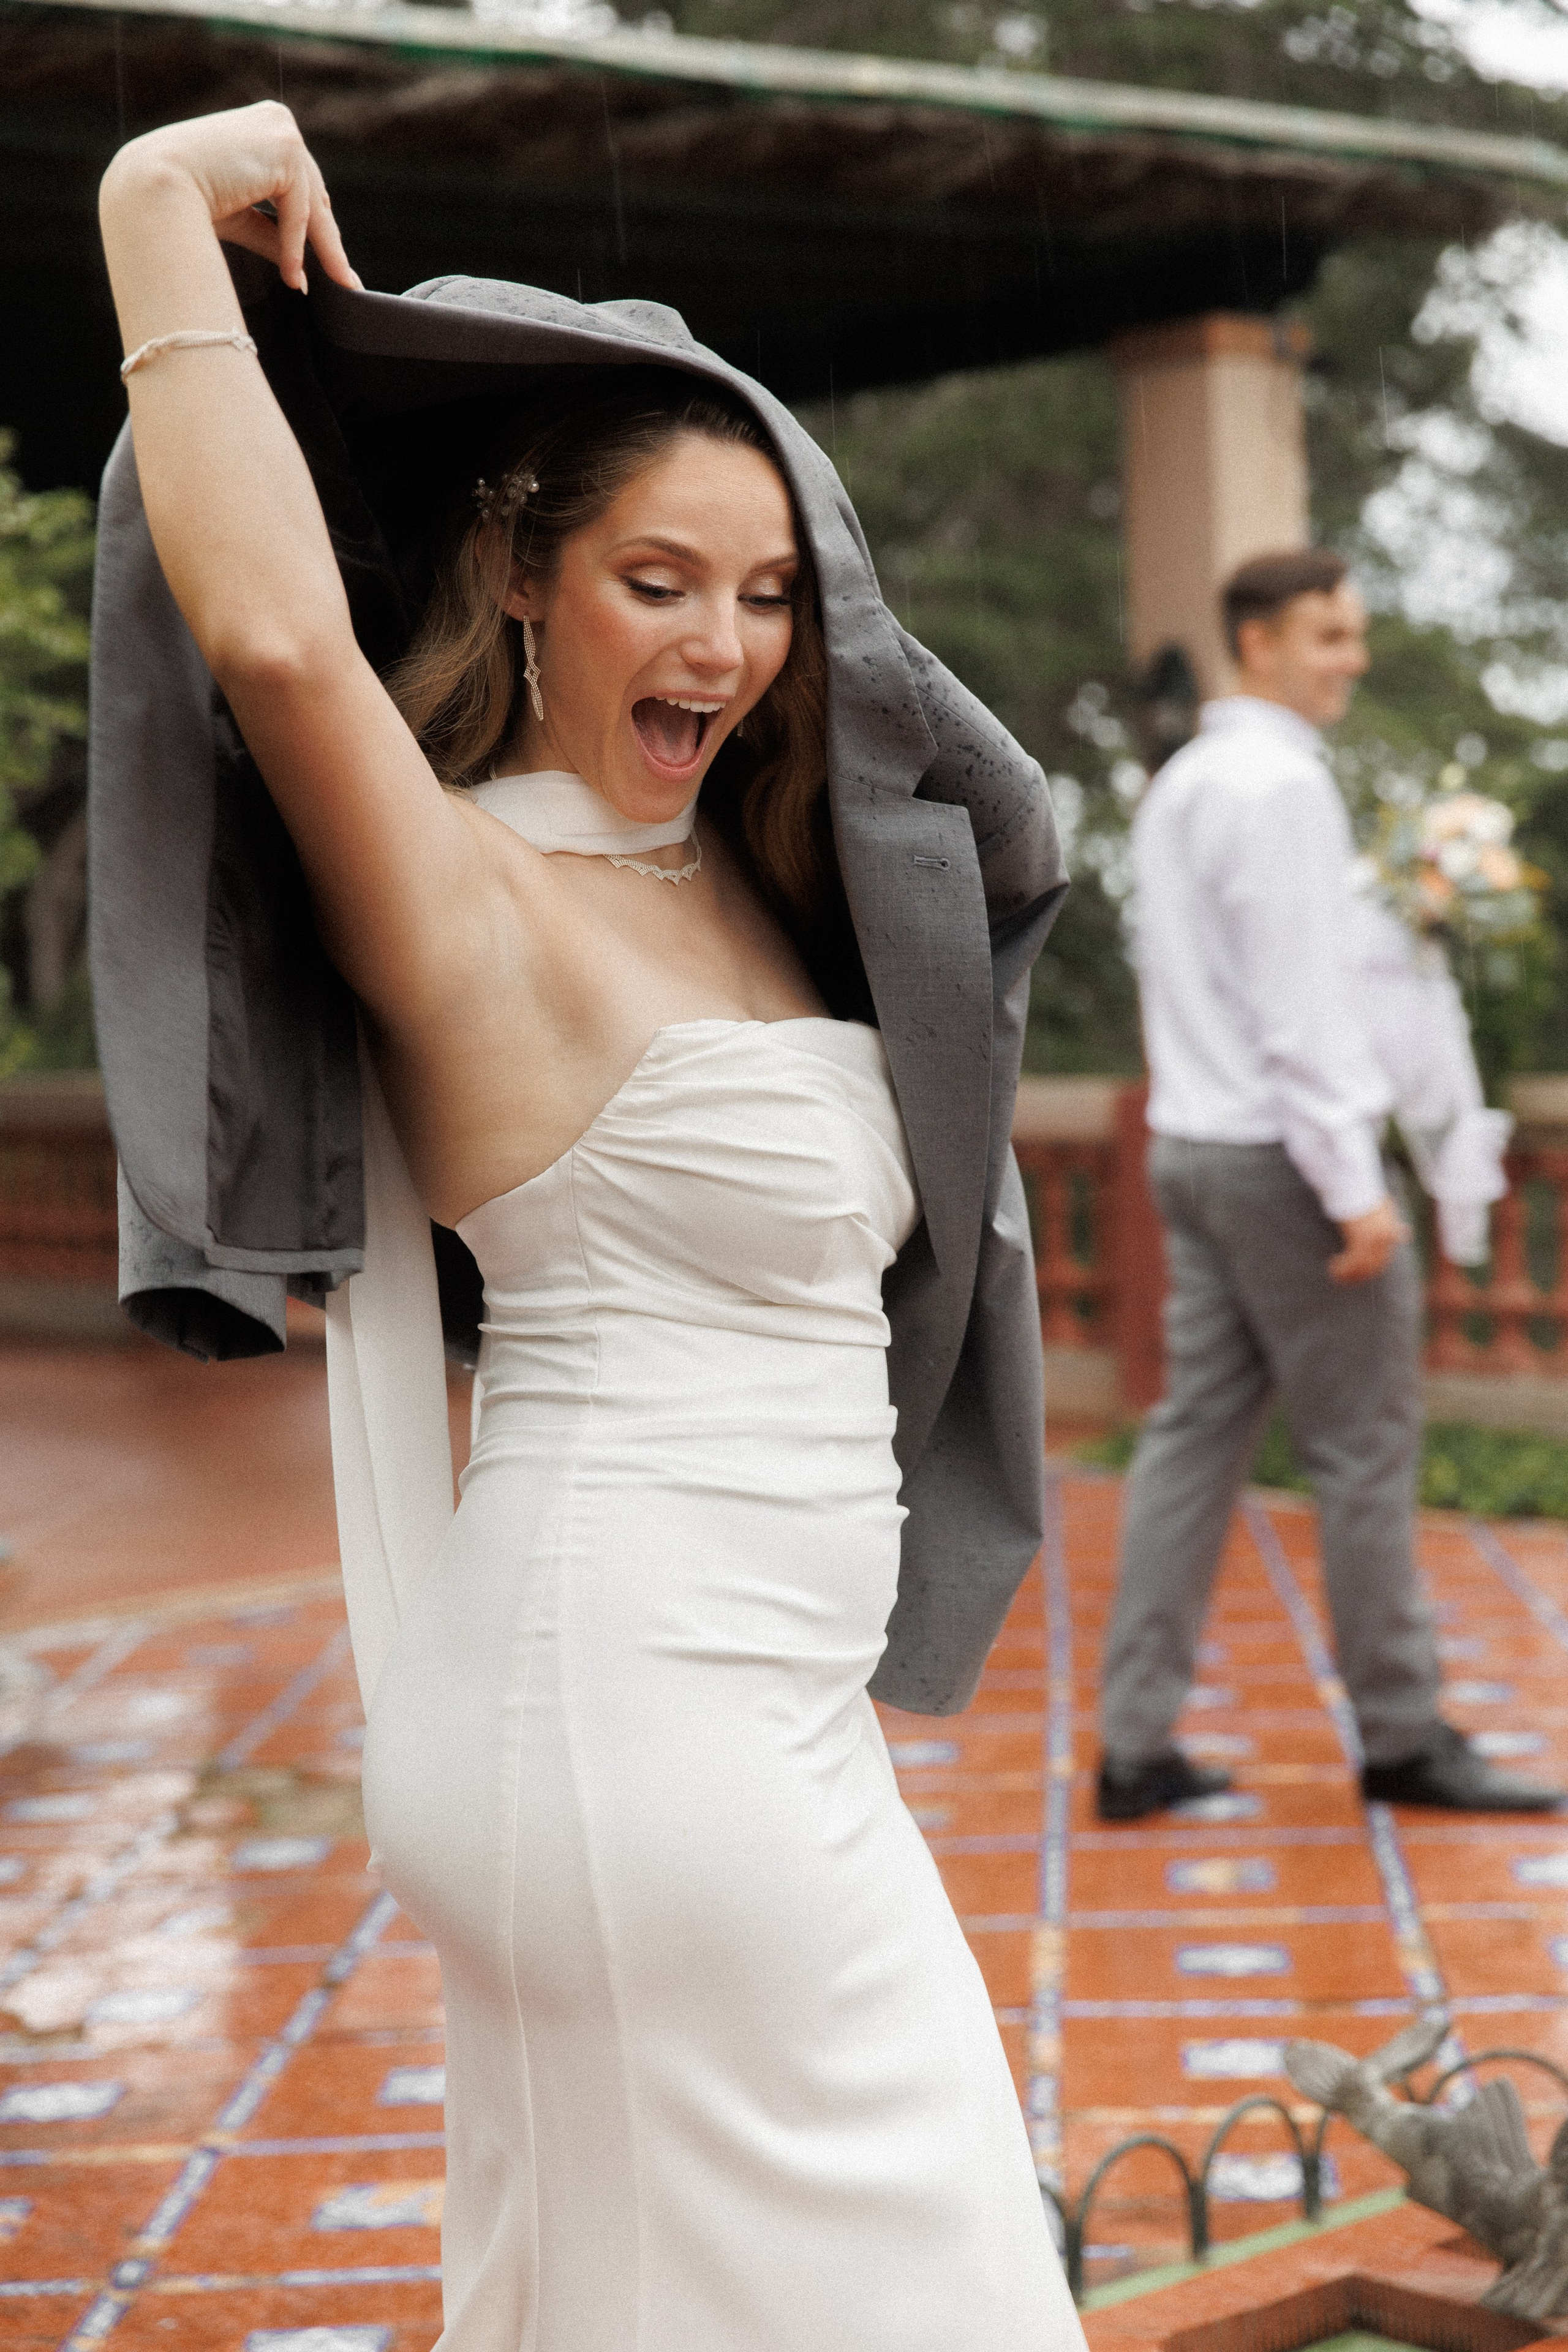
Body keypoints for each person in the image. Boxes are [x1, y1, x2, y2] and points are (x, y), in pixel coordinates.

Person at [96, 102, 1084, 2352]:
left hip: (747, 1717)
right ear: (522, 573)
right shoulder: (470, 898)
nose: (725, 647)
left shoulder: (741, 863)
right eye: (661, 581)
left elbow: (970, 850)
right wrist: (154, 208)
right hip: (621, 1724)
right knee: (939, 2301)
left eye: (765, 593)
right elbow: (267, 633)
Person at [1096, 548, 1562, 1824]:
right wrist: (1355, 1189)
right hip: (1282, 1165)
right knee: (1364, 1451)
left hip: (1190, 1150)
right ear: (1255, 642)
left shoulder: (1185, 778)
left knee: (1190, 1444)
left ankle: (1131, 1748)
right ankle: (1404, 1736)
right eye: (1326, 634)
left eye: (1353, 633)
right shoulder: (1276, 785)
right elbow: (1299, 1013)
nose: (1348, 656)